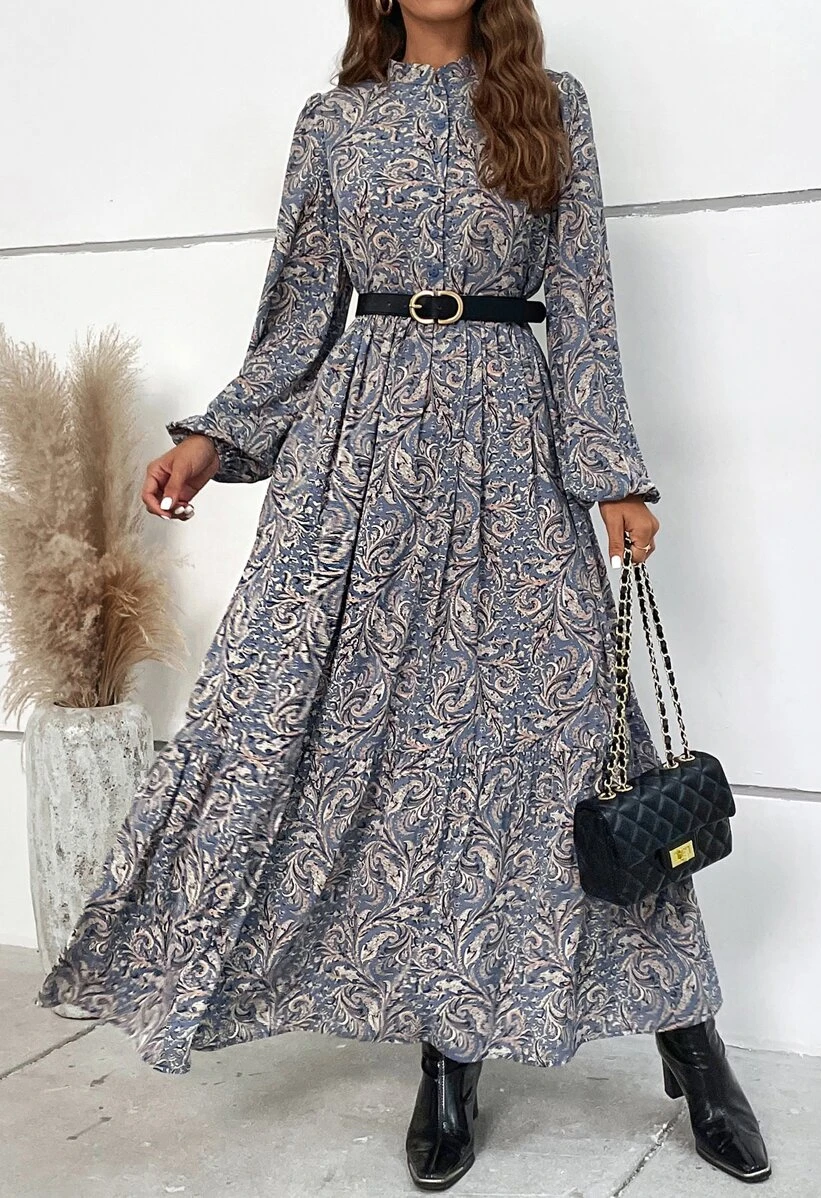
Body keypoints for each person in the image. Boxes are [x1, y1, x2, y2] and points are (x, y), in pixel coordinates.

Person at [36, 0, 771, 1189]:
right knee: (387, 750)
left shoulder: (550, 106)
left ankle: (691, 1039)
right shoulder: (335, 124)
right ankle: (447, 1057)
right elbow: (296, 317)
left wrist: (613, 475)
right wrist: (213, 440)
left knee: (575, 738)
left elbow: (583, 304)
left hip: (509, 445)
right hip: (360, 457)